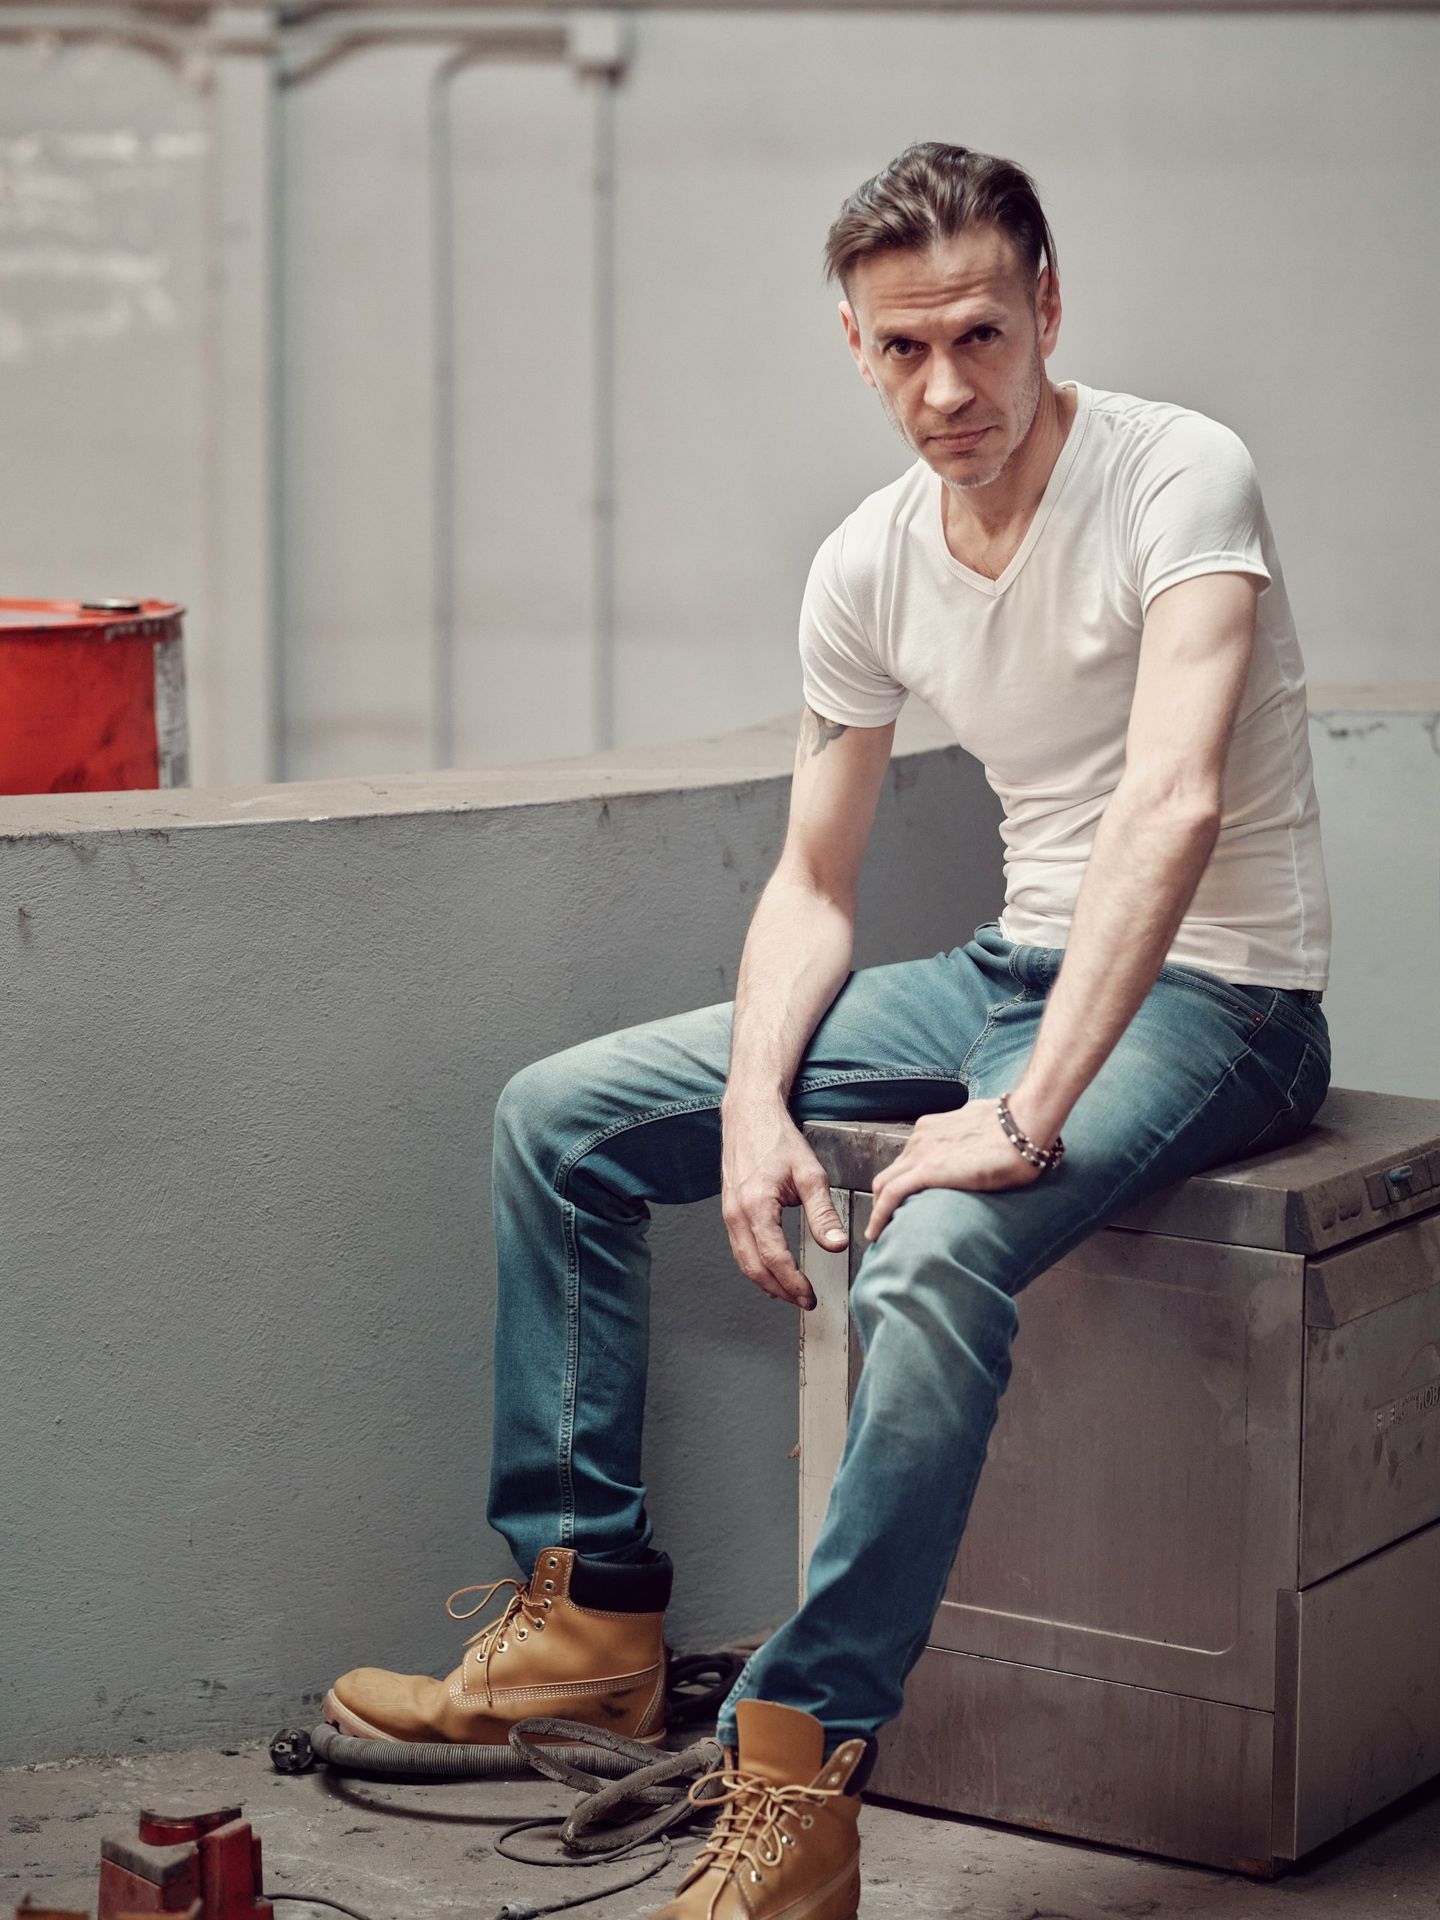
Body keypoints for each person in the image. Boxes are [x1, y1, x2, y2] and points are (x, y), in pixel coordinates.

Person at [325, 142, 1332, 1920]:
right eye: (899, 350)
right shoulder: (869, 558)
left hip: (1221, 996)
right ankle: (586, 1618)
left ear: (1046, 308)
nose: (945, 390)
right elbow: (811, 879)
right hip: (1010, 964)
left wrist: (1025, 1118)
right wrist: (750, 1101)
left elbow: (1170, 811)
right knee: (560, 1116)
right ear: (853, 346)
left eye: (980, 337)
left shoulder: (1182, 474)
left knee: (934, 1245)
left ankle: (800, 1773)